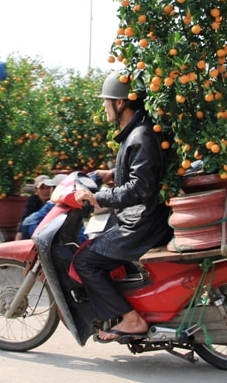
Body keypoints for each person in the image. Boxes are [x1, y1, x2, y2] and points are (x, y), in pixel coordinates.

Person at [72, 70, 171, 343]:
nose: (104, 107)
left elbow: (141, 188)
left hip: (141, 223)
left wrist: (99, 197)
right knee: (96, 243)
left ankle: (131, 319)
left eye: (106, 101)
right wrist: (110, 173)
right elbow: (140, 173)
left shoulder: (140, 135)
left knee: (85, 261)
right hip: (141, 218)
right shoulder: (137, 133)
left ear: (120, 103)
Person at [14, 174, 55, 240]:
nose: (46, 191)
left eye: (48, 188)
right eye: (42, 188)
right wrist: (19, 232)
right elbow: (25, 217)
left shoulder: (54, 201)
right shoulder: (32, 200)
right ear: (36, 190)